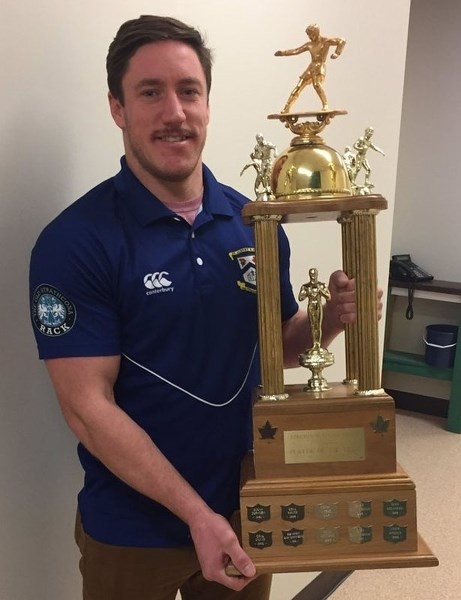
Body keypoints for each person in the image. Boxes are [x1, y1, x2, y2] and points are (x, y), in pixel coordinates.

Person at [29, 15, 364, 600]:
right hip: (132, 532)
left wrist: (329, 321)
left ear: (207, 103)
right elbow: (87, 408)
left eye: (189, 90)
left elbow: (276, 348)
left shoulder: (253, 222)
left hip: (245, 509)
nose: (174, 112)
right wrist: (195, 515)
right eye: (150, 92)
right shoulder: (75, 241)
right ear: (117, 108)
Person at [275, 23, 345, 113]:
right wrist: (283, 53)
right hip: (311, 67)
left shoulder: (326, 41)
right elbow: (296, 50)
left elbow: (342, 41)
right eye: (308, 35)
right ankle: (287, 107)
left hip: (320, 66)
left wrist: (337, 53)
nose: (309, 37)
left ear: (316, 33)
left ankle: (325, 104)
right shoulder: (309, 44)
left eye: (310, 34)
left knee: (316, 85)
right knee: (298, 86)